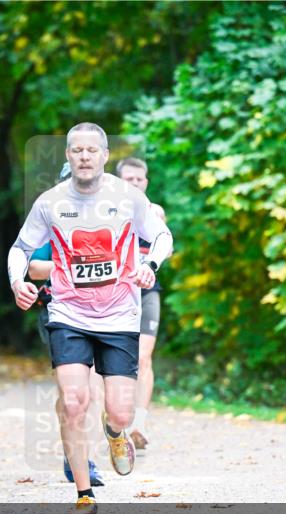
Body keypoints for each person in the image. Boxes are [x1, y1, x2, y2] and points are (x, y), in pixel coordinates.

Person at [8, 123, 173, 514]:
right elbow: (21, 248)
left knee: (120, 412)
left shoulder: (128, 197)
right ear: (67, 156)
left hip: (119, 314)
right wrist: (18, 282)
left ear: (104, 156)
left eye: (91, 150)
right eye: (76, 150)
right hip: (69, 313)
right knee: (73, 401)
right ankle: (84, 495)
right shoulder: (50, 202)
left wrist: (150, 264)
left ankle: (115, 433)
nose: (84, 156)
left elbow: (163, 235)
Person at [28, 241, 105, 487]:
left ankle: (87, 458)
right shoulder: (55, 217)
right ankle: (73, 451)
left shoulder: (109, 218)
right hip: (61, 313)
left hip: (102, 311)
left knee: (93, 390)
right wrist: (71, 266)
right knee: (71, 396)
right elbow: (34, 268)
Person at [115, 157, 170, 451]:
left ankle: (139, 423)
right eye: (129, 179)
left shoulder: (155, 213)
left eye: (139, 179)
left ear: (146, 182)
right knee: (115, 359)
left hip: (147, 291)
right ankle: (114, 418)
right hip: (115, 293)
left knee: (144, 356)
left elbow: (168, 250)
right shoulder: (107, 210)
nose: (135, 183)